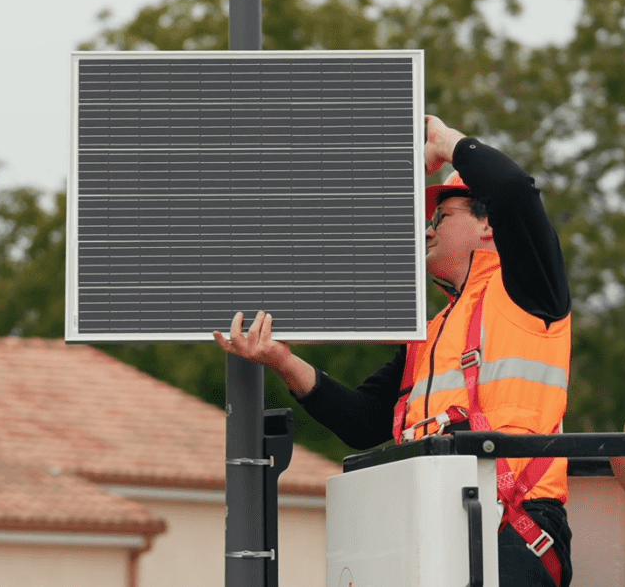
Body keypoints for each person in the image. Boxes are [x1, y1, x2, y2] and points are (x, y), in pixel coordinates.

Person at [213, 115, 573, 587]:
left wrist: (445, 143)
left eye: (441, 217)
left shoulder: (528, 291)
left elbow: (514, 192)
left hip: (517, 526)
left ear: (488, 228)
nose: (428, 231)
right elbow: (363, 423)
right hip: (432, 518)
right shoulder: (431, 334)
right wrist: (281, 358)